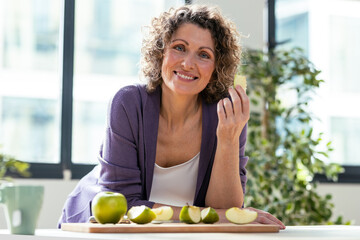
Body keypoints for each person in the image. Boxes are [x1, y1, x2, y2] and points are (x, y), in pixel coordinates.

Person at [58, 4, 285, 229]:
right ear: (160, 52)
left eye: (204, 55)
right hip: (96, 228)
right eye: (179, 47)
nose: (188, 63)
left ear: (217, 68)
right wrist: (218, 215)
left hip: (168, 233)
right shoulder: (128, 103)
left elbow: (224, 208)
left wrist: (228, 138)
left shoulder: (226, 114)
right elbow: (124, 204)